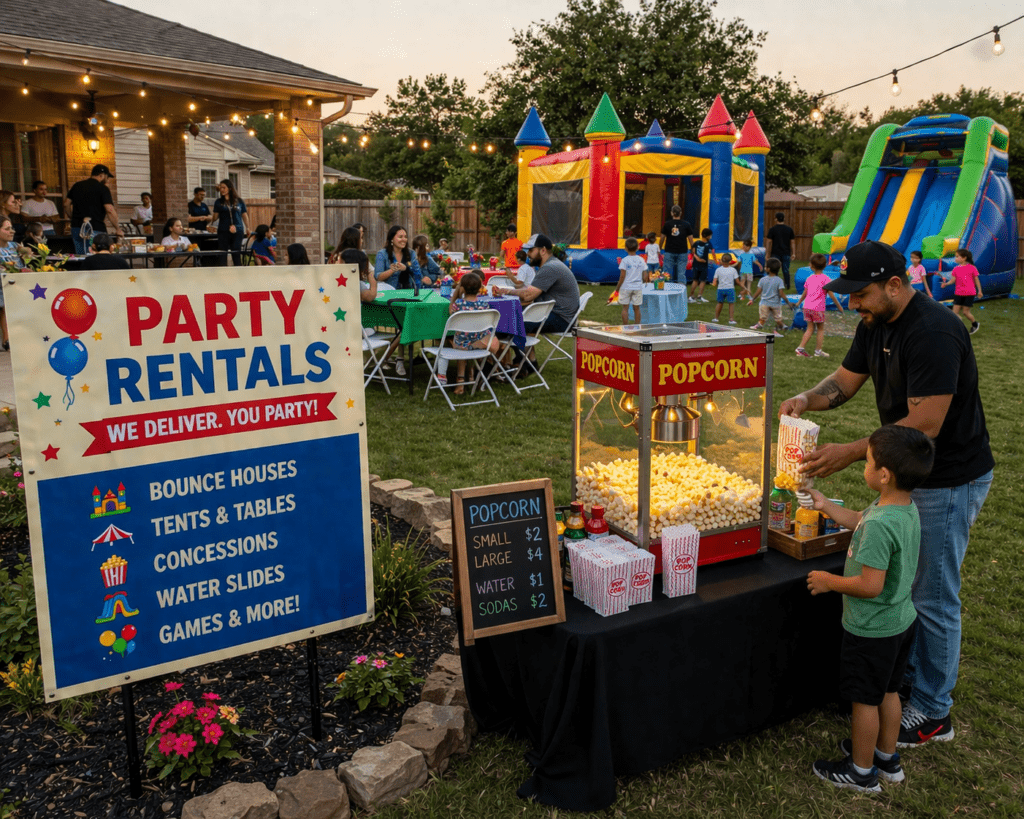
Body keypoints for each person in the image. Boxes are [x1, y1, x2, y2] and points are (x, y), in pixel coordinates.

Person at [779, 239, 994, 750]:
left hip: (948, 476)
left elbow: (926, 422)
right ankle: (900, 683)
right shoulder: (874, 323)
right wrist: (809, 397)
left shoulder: (936, 331)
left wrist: (853, 452)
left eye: (862, 293)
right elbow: (846, 381)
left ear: (896, 285)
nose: (853, 304)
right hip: (905, 475)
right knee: (901, 583)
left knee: (931, 593)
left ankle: (935, 709)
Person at [807, 425, 936, 793]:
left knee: (864, 700)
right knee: (890, 693)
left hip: (872, 629)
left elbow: (869, 585)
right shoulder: (901, 508)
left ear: (883, 474)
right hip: (901, 622)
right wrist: (827, 506)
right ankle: (885, 757)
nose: (863, 466)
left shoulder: (880, 525)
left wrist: (830, 582)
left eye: (866, 461)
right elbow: (861, 522)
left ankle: (861, 772)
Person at [448, 271, 500, 394]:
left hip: (461, 345)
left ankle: (460, 382)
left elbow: (450, 311)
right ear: (480, 289)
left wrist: (456, 294)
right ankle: (473, 376)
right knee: (481, 339)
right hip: (478, 343)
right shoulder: (484, 305)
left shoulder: (458, 305)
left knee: (461, 343)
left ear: (463, 288)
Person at [65, 164, 123, 255]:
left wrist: (72, 217)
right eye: (107, 177)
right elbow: (109, 210)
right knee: (97, 256)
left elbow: (66, 204)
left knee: (81, 256)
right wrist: (117, 228)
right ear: (102, 175)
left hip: (76, 227)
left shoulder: (77, 186)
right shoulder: (103, 189)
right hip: (95, 228)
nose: (107, 180)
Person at [794, 253, 844, 357]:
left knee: (810, 328)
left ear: (811, 266)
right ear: (825, 266)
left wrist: (799, 302)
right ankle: (818, 351)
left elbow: (805, 293)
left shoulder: (809, 278)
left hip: (807, 307)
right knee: (820, 329)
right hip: (818, 308)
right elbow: (831, 295)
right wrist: (839, 306)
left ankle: (801, 348)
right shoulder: (826, 279)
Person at [940, 248, 982, 334]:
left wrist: (980, 291)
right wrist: (946, 284)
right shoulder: (956, 269)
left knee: (966, 312)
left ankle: (975, 324)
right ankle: (959, 329)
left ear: (964, 258)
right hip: (959, 293)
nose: (955, 258)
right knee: (955, 313)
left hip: (970, 293)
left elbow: (976, 280)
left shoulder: (972, 268)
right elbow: (953, 280)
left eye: (957, 256)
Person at [748, 258, 787, 336]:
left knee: (763, 318)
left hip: (764, 303)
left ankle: (759, 326)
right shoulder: (779, 280)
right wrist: (787, 301)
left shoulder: (762, 279)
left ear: (768, 269)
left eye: (765, 266)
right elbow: (781, 293)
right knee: (778, 319)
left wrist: (752, 299)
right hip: (776, 303)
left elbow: (758, 291)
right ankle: (783, 326)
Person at [213, 178, 248, 266]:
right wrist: (212, 217)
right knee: (222, 253)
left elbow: (244, 215)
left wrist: (248, 228)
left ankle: (238, 274)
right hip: (223, 230)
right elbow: (215, 217)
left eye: (224, 187)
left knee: (236, 253)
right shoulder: (218, 201)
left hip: (237, 230)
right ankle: (223, 275)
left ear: (230, 188)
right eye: (220, 188)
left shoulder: (239, 201)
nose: (221, 190)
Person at [615, 237, 648, 324]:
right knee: (636, 308)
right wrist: (644, 282)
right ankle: (637, 327)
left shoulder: (624, 260)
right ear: (637, 248)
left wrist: (617, 288)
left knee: (625, 308)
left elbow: (622, 276)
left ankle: (625, 327)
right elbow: (645, 276)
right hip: (637, 286)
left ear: (625, 248)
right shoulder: (641, 260)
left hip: (626, 287)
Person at [659, 204, 693, 288]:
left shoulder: (667, 224)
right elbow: (690, 239)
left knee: (667, 273)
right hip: (682, 251)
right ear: (680, 213)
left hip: (669, 251)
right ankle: (681, 293)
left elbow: (662, 238)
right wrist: (692, 248)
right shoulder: (686, 224)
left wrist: (659, 248)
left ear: (671, 213)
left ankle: (667, 290)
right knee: (681, 273)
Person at [710, 253, 746, 324]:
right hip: (730, 289)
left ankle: (716, 318)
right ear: (730, 261)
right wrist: (743, 287)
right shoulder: (733, 270)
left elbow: (714, 281)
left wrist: (714, 284)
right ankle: (731, 319)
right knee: (731, 304)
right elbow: (737, 282)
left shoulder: (718, 270)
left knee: (719, 303)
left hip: (720, 289)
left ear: (721, 261)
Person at [766, 211, 796, 288]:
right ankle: (787, 285)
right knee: (785, 270)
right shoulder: (789, 229)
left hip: (775, 253)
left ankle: (774, 285)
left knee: (774, 269)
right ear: (784, 219)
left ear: (776, 219)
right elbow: (792, 242)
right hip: (786, 253)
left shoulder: (772, 229)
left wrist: (767, 254)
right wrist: (793, 253)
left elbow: (769, 242)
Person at [0, 216, 17, 349]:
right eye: (7, 229)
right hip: (3, 286)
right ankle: (7, 338)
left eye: (11, 228)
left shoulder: (14, 246)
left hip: (14, 282)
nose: (12, 231)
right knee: (5, 297)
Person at [689, 228, 714, 302]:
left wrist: (713, 260)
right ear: (707, 236)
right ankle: (692, 296)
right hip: (699, 264)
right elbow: (693, 253)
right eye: (710, 235)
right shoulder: (700, 243)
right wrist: (698, 259)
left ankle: (698, 296)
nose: (710, 237)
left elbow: (712, 253)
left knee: (701, 280)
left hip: (702, 265)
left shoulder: (701, 243)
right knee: (697, 280)